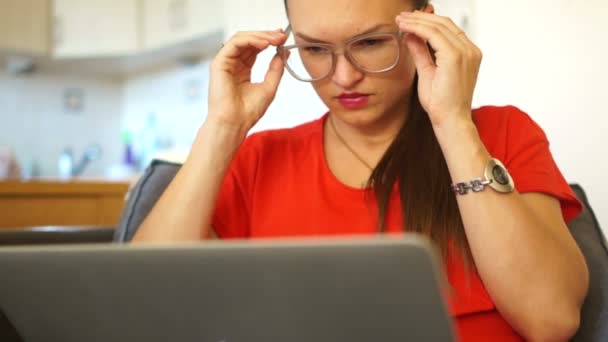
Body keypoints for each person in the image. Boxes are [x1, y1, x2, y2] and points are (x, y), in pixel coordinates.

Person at [132, 0, 589, 340]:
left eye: (369, 43)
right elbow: (143, 307)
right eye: (314, 49)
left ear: (425, 25)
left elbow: (551, 319)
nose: (343, 76)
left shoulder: (500, 133)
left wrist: (452, 122)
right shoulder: (257, 159)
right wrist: (222, 126)